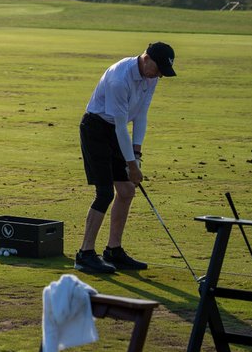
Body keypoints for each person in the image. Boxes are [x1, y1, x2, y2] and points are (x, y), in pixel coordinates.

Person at [74, 41, 176, 274]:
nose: (159, 75)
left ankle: (114, 250)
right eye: (158, 69)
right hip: (96, 130)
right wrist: (131, 165)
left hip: (114, 131)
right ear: (146, 58)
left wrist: (137, 156)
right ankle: (85, 254)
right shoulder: (119, 78)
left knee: (127, 190)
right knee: (105, 193)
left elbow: (141, 116)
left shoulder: (151, 78)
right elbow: (121, 127)